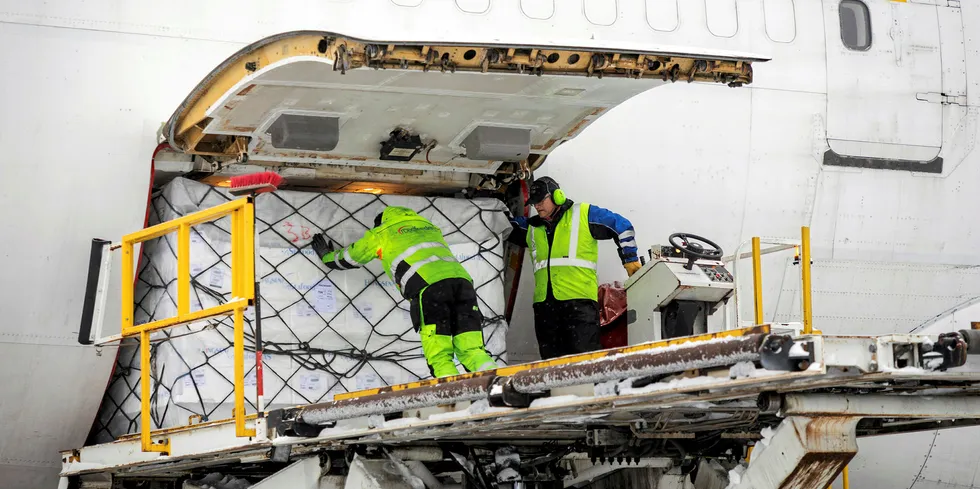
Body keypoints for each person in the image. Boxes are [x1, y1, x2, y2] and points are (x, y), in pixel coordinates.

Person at [310, 206, 497, 378]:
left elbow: (352, 257)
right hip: (463, 285)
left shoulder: (382, 232)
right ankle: (497, 385)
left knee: (439, 357)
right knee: (473, 350)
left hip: (430, 289)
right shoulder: (428, 226)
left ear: (380, 223)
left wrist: (328, 258)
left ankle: (454, 398)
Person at [508, 177, 641, 360]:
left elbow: (622, 227)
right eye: (534, 203)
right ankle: (556, 390)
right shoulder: (532, 227)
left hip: (579, 304)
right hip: (545, 307)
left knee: (584, 362)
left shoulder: (584, 214)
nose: (537, 207)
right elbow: (506, 226)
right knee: (551, 363)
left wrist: (630, 261)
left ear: (557, 196)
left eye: (541, 201)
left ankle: (586, 389)